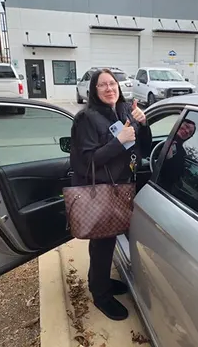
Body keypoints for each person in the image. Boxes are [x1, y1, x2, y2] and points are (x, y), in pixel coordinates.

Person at [70, 69, 152, 321]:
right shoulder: (85, 119)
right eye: (102, 85)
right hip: (102, 190)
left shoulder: (126, 111)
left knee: (109, 240)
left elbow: (143, 148)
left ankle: (99, 281)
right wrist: (118, 141)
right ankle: (100, 295)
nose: (109, 88)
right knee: (103, 244)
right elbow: (85, 162)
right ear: (94, 90)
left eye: (112, 84)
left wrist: (143, 124)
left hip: (125, 187)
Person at [158, 119, 196, 191]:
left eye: (190, 133)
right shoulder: (163, 138)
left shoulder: (182, 154)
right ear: (179, 123)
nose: (187, 131)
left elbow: (172, 177)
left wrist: (169, 158)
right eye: (186, 126)